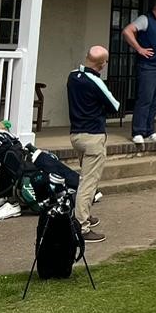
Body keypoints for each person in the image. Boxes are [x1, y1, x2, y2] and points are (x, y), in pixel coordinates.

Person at [66, 45, 118, 242]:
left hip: (76, 135)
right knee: (88, 182)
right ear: (101, 64)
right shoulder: (95, 81)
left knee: (84, 178)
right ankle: (81, 226)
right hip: (93, 137)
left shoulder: (72, 76)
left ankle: (84, 215)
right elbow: (115, 105)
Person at [122, 0, 156, 144]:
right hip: (148, 67)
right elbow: (127, 31)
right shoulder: (145, 19)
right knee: (145, 99)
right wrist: (139, 48)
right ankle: (138, 131)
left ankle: (149, 130)